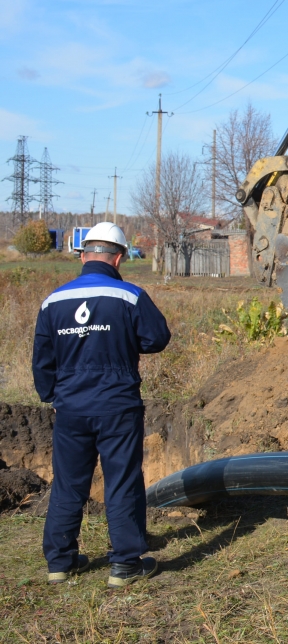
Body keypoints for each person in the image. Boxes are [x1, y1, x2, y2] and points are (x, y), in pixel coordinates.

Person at [32, 222, 170, 587]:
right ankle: (124, 565)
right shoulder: (129, 296)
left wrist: (54, 397)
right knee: (122, 482)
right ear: (120, 257)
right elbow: (157, 338)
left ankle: (60, 563)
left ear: (82, 255)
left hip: (71, 410)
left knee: (68, 484)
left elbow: (42, 362)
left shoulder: (53, 301)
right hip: (118, 408)